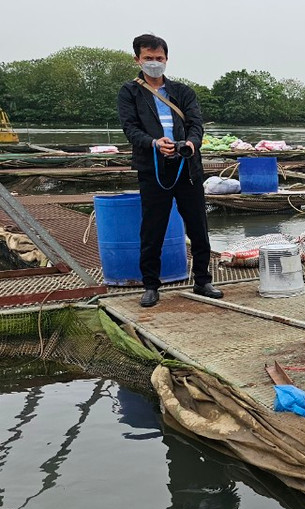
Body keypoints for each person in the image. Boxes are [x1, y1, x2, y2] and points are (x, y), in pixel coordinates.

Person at [117, 34, 222, 308]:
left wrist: (191, 143)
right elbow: (130, 129)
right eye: (148, 58)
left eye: (159, 58)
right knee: (152, 230)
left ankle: (203, 279)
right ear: (137, 59)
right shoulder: (130, 92)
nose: (154, 63)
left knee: (198, 226)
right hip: (153, 168)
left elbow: (197, 125)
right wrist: (154, 143)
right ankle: (151, 285)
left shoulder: (183, 92)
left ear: (167, 59)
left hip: (187, 168)